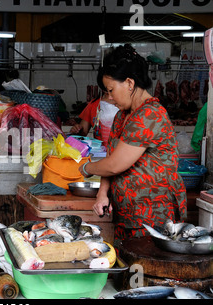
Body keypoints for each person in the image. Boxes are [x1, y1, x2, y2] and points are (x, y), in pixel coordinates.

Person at [79, 44, 187, 248]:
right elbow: (112, 156)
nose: (109, 97)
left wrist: (86, 167)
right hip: (127, 215)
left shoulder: (150, 114)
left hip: (153, 216)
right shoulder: (122, 116)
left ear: (129, 83)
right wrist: (103, 193)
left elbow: (114, 165)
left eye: (111, 90)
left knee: (148, 270)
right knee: (129, 268)